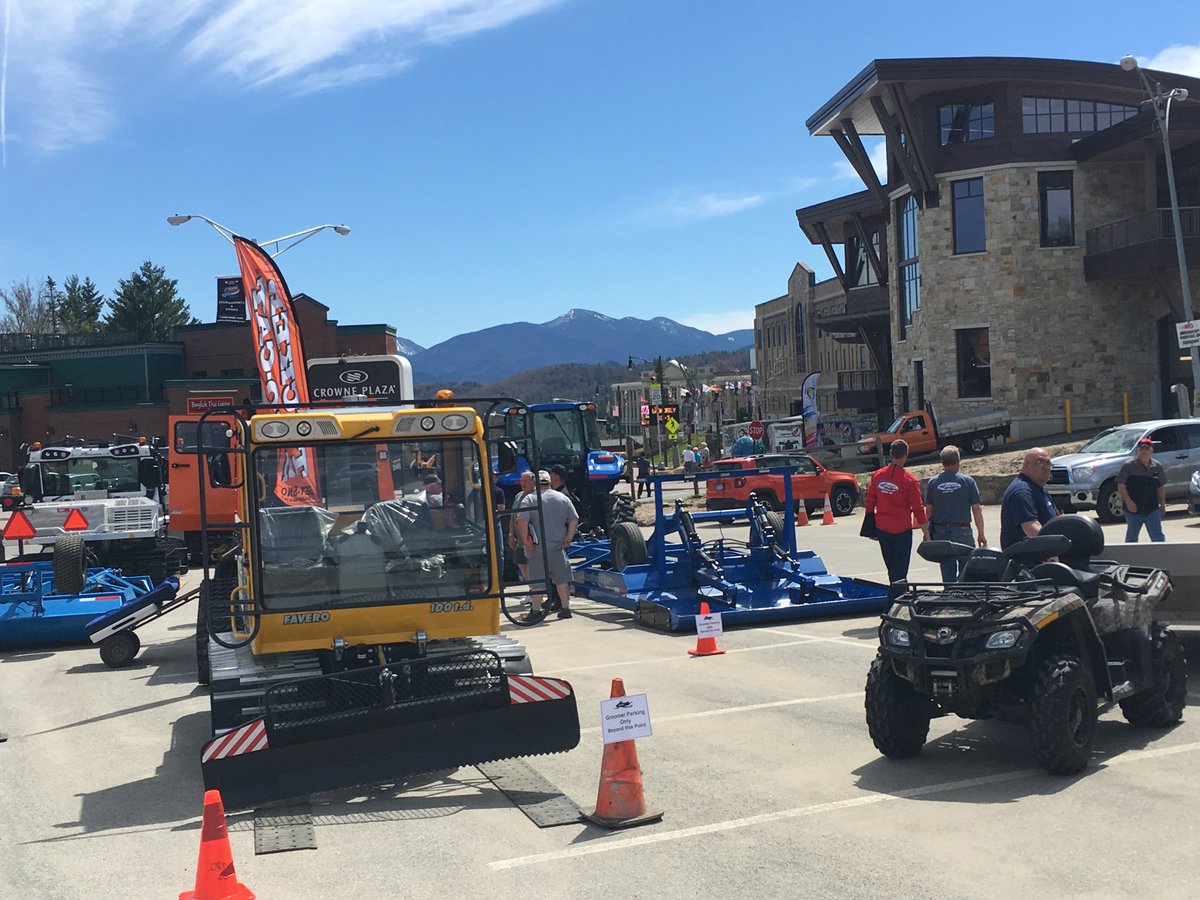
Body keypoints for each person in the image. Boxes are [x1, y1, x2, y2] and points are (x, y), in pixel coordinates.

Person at [864, 439, 929, 600]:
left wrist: (869, 526)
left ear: (891, 454)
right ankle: (893, 605)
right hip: (901, 530)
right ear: (906, 455)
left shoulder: (878, 475)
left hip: (882, 528)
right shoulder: (909, 480)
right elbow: (918, 509)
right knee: (899, 573)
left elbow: (870, 501)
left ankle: (901, 601)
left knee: (893, 571)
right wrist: (926, 533)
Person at [516, 470, 579, 623]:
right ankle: (565, 608)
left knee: (536, 582)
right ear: (549, 482)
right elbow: (574, 518)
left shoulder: (530, 499)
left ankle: (536, 611)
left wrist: (525, 540)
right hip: (558, 547)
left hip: (537, 549)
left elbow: (522, 521)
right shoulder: (562, 498)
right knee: (561, 579)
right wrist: (568, 538)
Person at [923, 445, 986, 582]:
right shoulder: (967, 481)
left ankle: (950, 596)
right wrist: (981, 533)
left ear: (942, 462)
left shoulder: (933, 482)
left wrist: (927, 534)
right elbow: (976, 509)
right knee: (967, 568)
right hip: (962, 530)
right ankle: (965, 596)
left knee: (947, 569)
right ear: (958, 461)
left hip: (940, 531)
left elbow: (928, 510)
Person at [999, 448, 1058, 550]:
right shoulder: (1022, 491)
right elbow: (1030, 527)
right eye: (1040, 462)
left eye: (1048, 462)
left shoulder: (1038, 487)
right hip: (1028, 560)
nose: (1046, 467)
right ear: (1026, 465)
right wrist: (1051, 551)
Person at [1117, 437, 1166, 543]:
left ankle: (1162, 558)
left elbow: (1160, 487)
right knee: (1132, 538)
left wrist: (1162, 505)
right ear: (1138, 450)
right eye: (1141, 449)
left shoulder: (1157, 467)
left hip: (1152, 508)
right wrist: (1128, 502)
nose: (1144, 451)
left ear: (1151, 450)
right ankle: (1130, 559)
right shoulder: (1128, 466)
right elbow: (1121, 486)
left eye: (1146, 448)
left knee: (1158, 537)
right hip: (1133, 510)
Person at [507, 470, 536, 581]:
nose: (523, 483)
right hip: (519, 540)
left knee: (534, 566)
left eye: (526, 481)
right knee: (521, 563)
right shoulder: (518, 496)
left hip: (532, 539)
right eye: (521, 481)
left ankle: (536, 590)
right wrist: (511, 534)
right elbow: (513, 516)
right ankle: (531, 589)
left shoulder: (536, 496)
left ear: (533, 482)